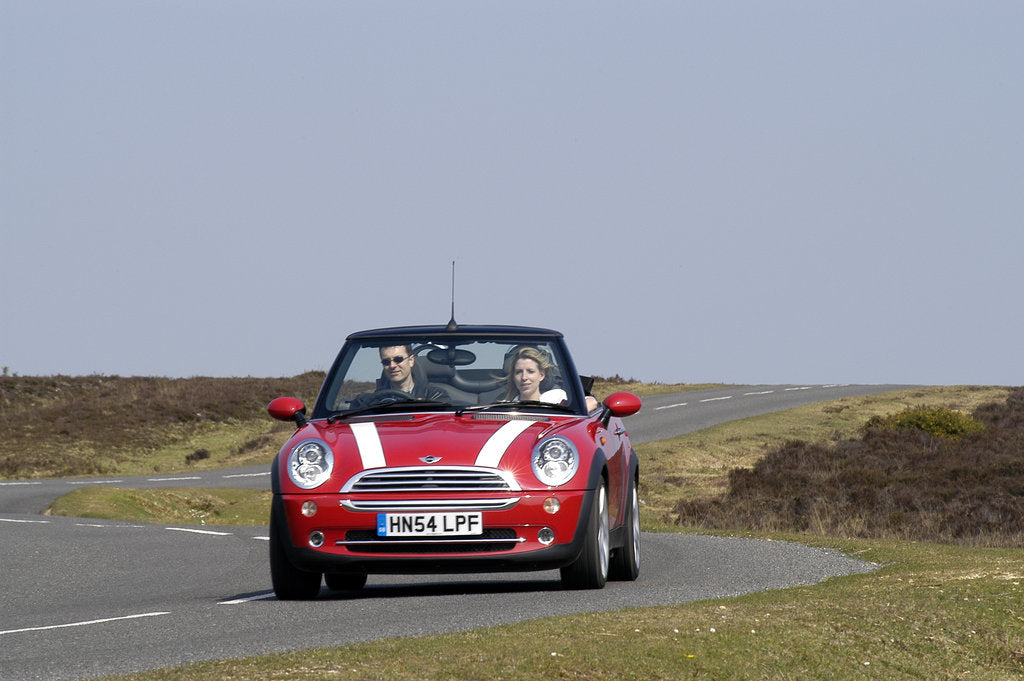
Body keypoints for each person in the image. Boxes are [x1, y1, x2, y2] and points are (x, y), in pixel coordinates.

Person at [377, 344, 448, 401]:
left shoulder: (435, 396)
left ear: (411, 361)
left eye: (398, 359)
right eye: (386, 362)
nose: (392, 366)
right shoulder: (376, 400)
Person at [501, 347, 569, 404]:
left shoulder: (557, 400)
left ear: (542, 375)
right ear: (513, 377)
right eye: (519, 372)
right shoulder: (503, 410)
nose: (524, 377)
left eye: (530, 371)